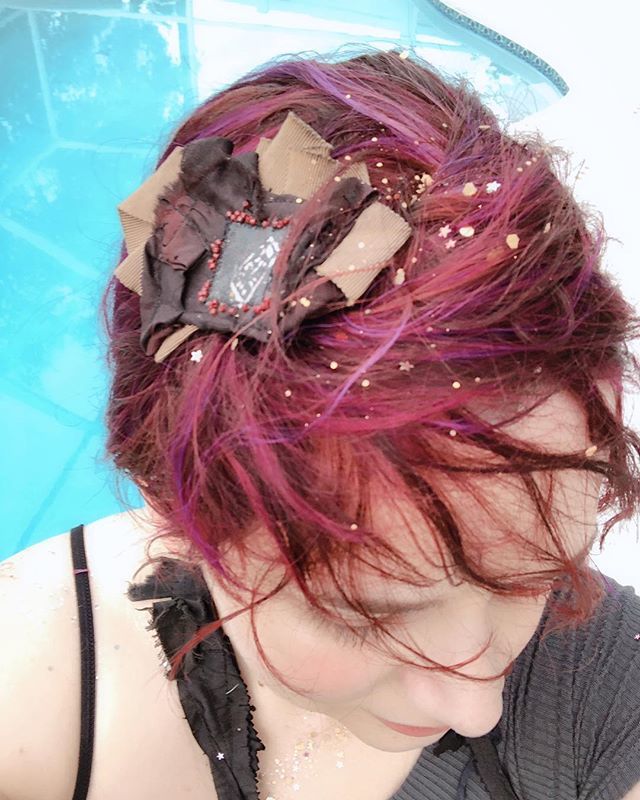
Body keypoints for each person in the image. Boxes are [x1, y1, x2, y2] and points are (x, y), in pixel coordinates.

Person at [1, 45, 640, 800]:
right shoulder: (26, 707)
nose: (476, 707)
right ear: (175, 512)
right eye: (363, 618)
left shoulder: (612, 681)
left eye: (539, 573)